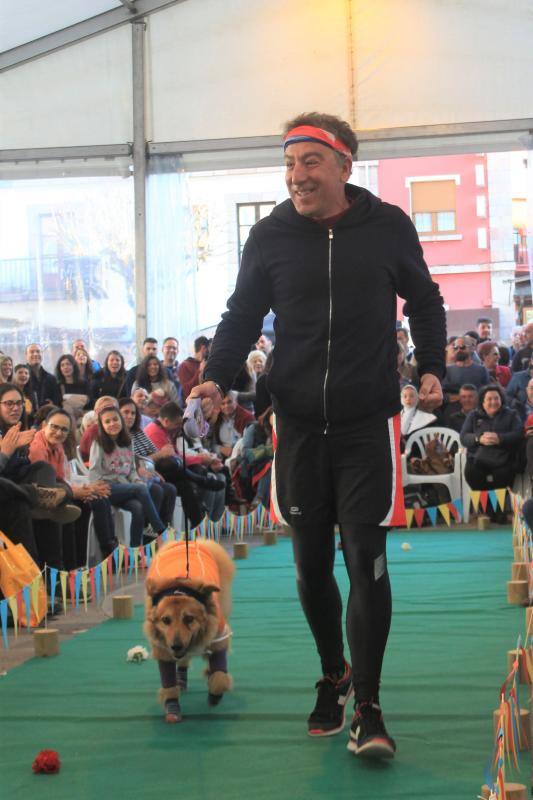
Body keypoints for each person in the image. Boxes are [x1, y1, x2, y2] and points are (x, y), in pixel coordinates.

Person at [190, 112, 446, 759]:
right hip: (298, 425)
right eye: (288, 163)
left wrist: (433, 366)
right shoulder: (270, 235)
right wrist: (216, 376)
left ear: (342, 166)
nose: (296, 175)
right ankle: (333, 673)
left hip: (367, 425)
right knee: (309, 568)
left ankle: (368, 706)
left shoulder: (387, 226)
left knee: (366, 560)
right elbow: (242, 311)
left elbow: (425, 300)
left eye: (308, 162)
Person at [29, 407, 117, 566]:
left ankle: (85, 562)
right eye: (54, 427)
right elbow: (45, 484)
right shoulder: (37, 447)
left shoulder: (58, 447)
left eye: (64, 429)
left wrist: (85, 490)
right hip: (40, 497)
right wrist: (80, 491)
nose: (58, 432)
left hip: (58, 490)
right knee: (76, 505)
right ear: (44, 425)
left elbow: (63, 479)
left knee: (95, 500)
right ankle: (70, 567)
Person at [88, 405, 167, 547]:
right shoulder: (98, 443)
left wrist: (136, 480)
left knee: (138, 507)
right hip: (107, 487)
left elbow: (131, 469)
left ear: (121, 421)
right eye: (107, 422)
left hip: (125, 486)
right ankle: (160, 530)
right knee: (141, 489)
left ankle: (136, 550)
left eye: (115, 419)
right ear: (102, 425)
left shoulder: (128, 441)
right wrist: (99, 488)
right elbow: (93, 472)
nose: (112, 424)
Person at [460, 384, 522, 514]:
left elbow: (518, 434)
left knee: (503, 475)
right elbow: (464, 437)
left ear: (501, 400)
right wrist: (478, 438)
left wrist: (500, 438)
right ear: (482, 401)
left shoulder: (511, 414)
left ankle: (498, 511)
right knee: (472, 474)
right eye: (489, 399)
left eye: (496, 398)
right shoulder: (473, 415)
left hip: (503, 457)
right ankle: (487, 508)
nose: (493, 402)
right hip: (478, 457)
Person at [55, 353, 91, 422]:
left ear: (74, 366)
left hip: (83, 419)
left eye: (68, 364)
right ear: (60, 369)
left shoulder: (84, 383)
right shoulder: (58, 386)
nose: (65, 367)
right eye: (62, 365)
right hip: (65, 420)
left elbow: (90, 401)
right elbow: (58, 405)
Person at [25, 343, 62, 408]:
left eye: (38, 351)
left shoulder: (51, 378)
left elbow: (58, 400)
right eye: (32, 352)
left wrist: (53, 405)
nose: (35, 354)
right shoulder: (21, 377)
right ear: (26, 355)